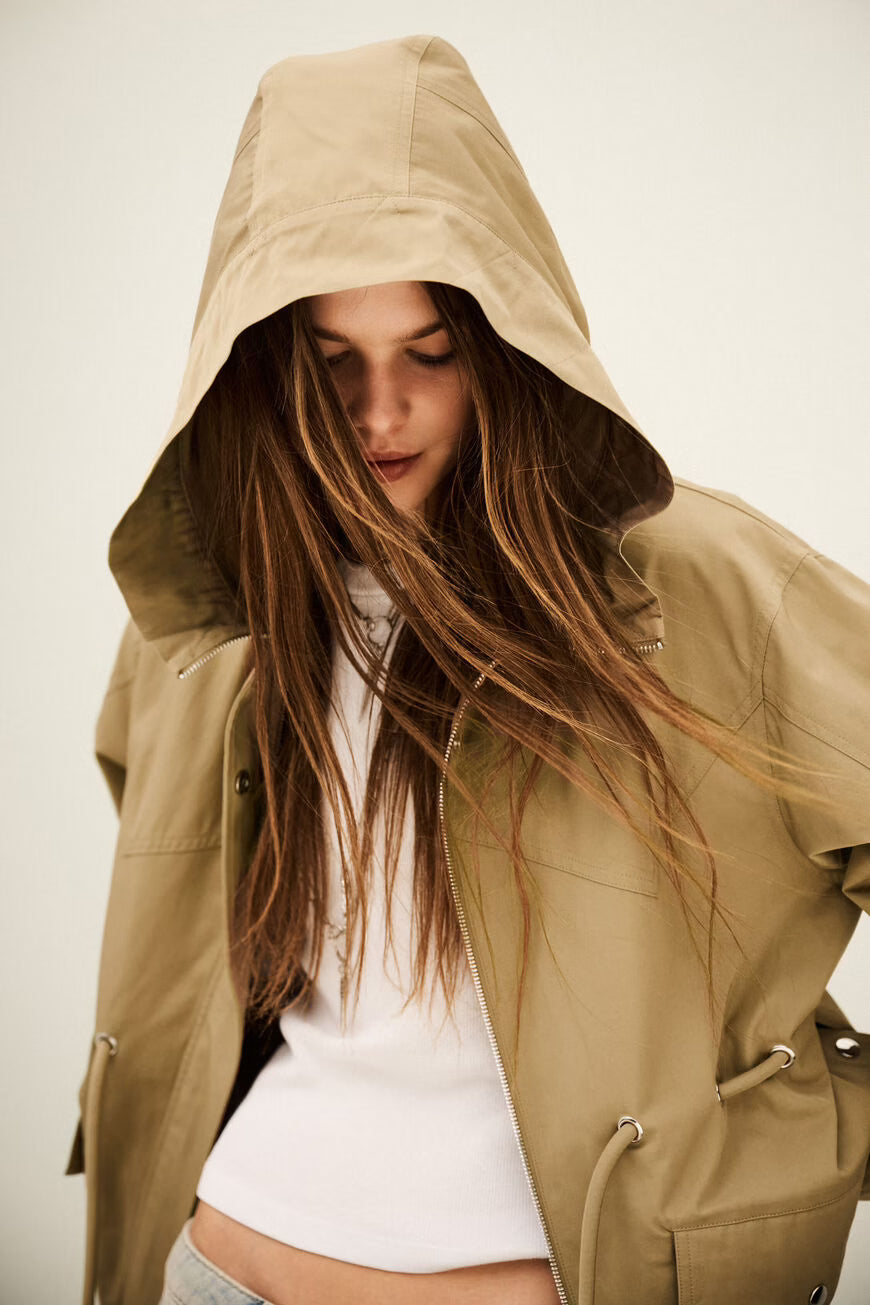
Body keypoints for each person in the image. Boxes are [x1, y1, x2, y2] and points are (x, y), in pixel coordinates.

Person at [67, 32, 870, 1305]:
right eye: (331, 362)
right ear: (259, 362)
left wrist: (804, 1113)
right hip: (223, 1258)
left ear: (504, 342)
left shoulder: (702, 581)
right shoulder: (213, 604)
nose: (380, 412)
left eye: (430, 351)